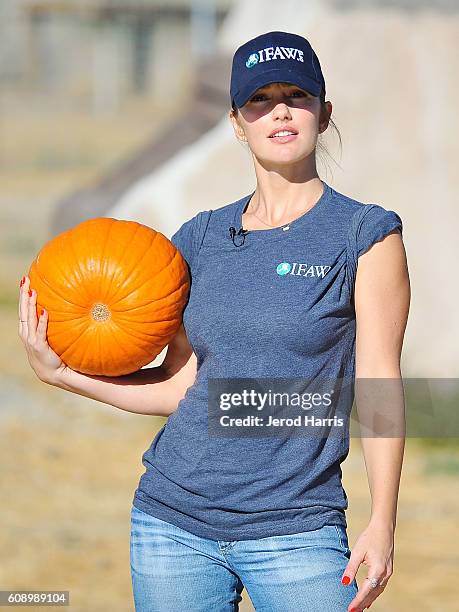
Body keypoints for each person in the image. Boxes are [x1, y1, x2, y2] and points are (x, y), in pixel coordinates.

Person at [18, 30, 410, 612]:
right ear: (236, 122)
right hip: (173, 526)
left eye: (296, 95)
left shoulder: (365, 235)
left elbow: (379, 385)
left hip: (297, 534)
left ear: (324, 114)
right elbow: (183, 386)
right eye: (259, 99)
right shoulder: (200, 238)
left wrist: (382, 523)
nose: (279, 110)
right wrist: (62, 376)